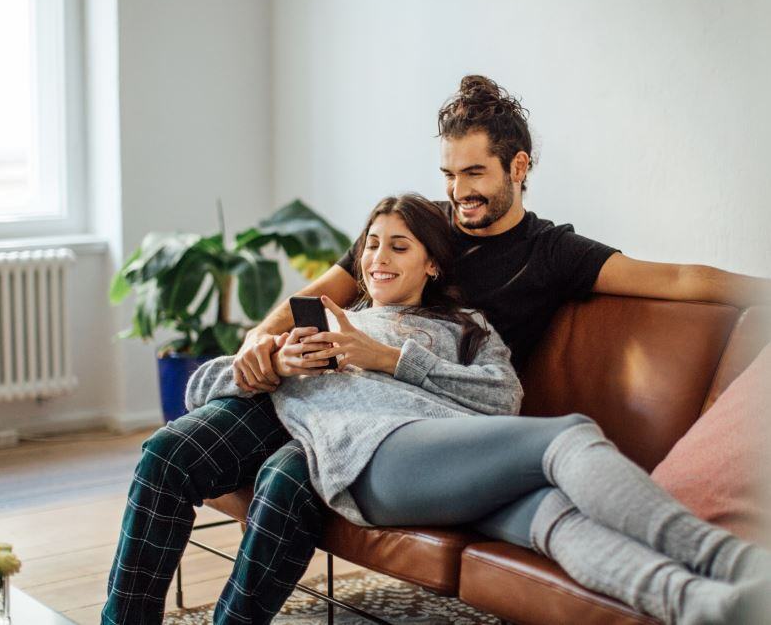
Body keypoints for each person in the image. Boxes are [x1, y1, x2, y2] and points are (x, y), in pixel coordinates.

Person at [102, 77, 771, 624]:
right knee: (170, 454)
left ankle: (712, 603)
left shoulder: (549, 255)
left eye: (474, 173)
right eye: (448, 174)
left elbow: (682, 281)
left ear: (518, 167)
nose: (457, 193)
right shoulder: (413, 226)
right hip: (325, 399)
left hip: (425, 428)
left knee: (552, 514)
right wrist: (260, 342)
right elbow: (324, 290)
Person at [186, 193, 770, 625]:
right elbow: (208, 387)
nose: (379, 259)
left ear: (431, 265)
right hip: (374, 458)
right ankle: (733, 563)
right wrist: (269, 358)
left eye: (399, 245)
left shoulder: (469, 328)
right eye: (371, 245)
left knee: (554, 517)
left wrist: (393, 358)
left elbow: (502, 399)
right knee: (566, 436)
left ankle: (703, 605)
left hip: (462, 461)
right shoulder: (332, 329)